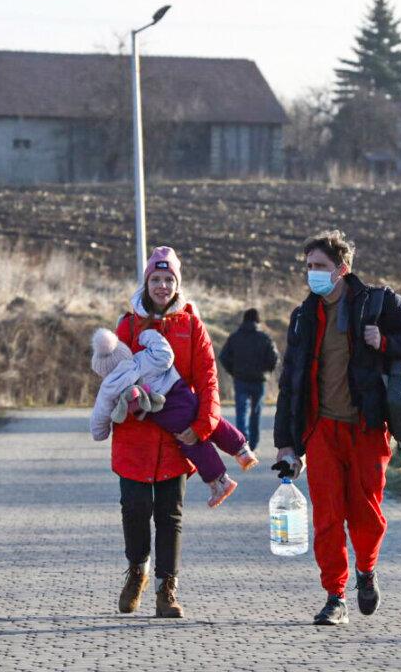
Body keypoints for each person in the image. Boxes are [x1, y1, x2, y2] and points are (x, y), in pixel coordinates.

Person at [272, 230, 401, 626]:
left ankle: (366, 570)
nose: (313, 274)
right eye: (309, 267)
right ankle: (335, 596)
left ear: (342, 269)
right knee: (328, 518)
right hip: (322, 430)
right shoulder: (303, 317)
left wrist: (384, 341)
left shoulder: (378, 303)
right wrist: (286, 445)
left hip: (367, 427)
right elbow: (290, 382)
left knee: (366, 515)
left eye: (321, 267)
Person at [109, 246, 223, 619]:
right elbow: (110, 372)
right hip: (134, 435)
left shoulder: (192, 326)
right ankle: (137, 572)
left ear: (178, 284)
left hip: (178, 438)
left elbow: (208, 378)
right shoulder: (127, 325)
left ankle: (166, 588)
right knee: (135, 510)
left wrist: (202, 425)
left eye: (168, 279)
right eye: (155, 279)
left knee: (170, 514)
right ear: (146, 282)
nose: (161, 286)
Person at [88, 326, 258, 508]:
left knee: (191, 443)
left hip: (166, 414)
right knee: (209, 420)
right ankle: (241, 449)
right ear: (124, 351)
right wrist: (149, 335)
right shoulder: (144, 359)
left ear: (101, 369)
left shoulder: (108, 387)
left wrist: (102, 431)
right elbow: (165, 354)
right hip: (182, 394)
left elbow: (99, 423)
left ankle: (220, 482)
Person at [218, 308, 279, 450]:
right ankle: (254, 442)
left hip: (241, 379)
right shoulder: (264, 337)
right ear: (258, 320)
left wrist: (233, 371)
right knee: (255, 411)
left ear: (244, 320)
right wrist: (267, 371)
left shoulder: (235, 337)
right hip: (259, 380)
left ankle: (242, 441)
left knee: (241, 410)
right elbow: (274, 358)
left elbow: (223, 357)